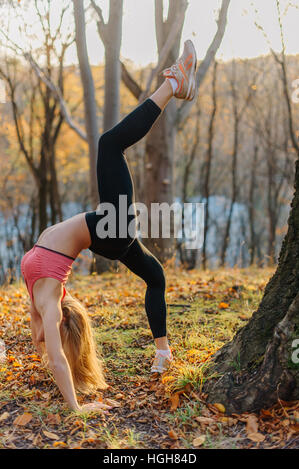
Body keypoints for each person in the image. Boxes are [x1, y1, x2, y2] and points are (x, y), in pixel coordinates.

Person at [21, 40, 197, 412]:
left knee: (155, 276)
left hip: (108, 236)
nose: (42, 333)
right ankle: (173, 83)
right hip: (108, 230)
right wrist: (75, 406)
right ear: (62, 319)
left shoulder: (39, 301)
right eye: (53, 330)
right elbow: (53, 355)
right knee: (109, 144)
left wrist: (47, 343)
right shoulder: (50, 304)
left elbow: (41, 342)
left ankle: (162, 352)